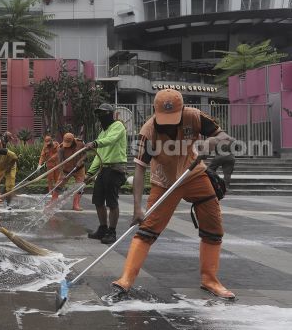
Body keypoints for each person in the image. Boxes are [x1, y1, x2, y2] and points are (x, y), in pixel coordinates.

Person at [109, 89, 236, 302]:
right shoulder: (148, 131)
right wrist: (137, 208)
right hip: (164, 183)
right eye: (164, 118)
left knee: (213, 226)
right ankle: (126, 279)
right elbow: (139, 170)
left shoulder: (194, 116)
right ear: (154, 111)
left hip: (195, 175)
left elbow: (226, 138)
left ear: (182, 109)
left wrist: (211, 143)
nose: (169, 123)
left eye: (173, 118)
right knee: (148, 229)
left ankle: (209, 279)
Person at [84, 103, 128, 244]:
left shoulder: (118, 126)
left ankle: (112, 232)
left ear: (110, 114)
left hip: (115, 169)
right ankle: (102, 228)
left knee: (111, 202)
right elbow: (99, 155)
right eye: (99, 114)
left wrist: (95, 143)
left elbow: (111, 140)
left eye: (104, 113)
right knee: (98, 200)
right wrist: (90, 172)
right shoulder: (102, 132)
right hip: (104, 169)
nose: (101, 117)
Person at [54, 133, 86, 210]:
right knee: (59, 185)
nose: (67, 145)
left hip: (79, 169)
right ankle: (53, 202)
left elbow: (85, 155)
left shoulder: (80, 143)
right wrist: (62, 174)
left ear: (73, 141)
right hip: (66, 170)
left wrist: (81, 161)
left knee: (80, 186)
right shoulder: (61, 148)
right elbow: (59, 162)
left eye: (69, 143)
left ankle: (76, 204)